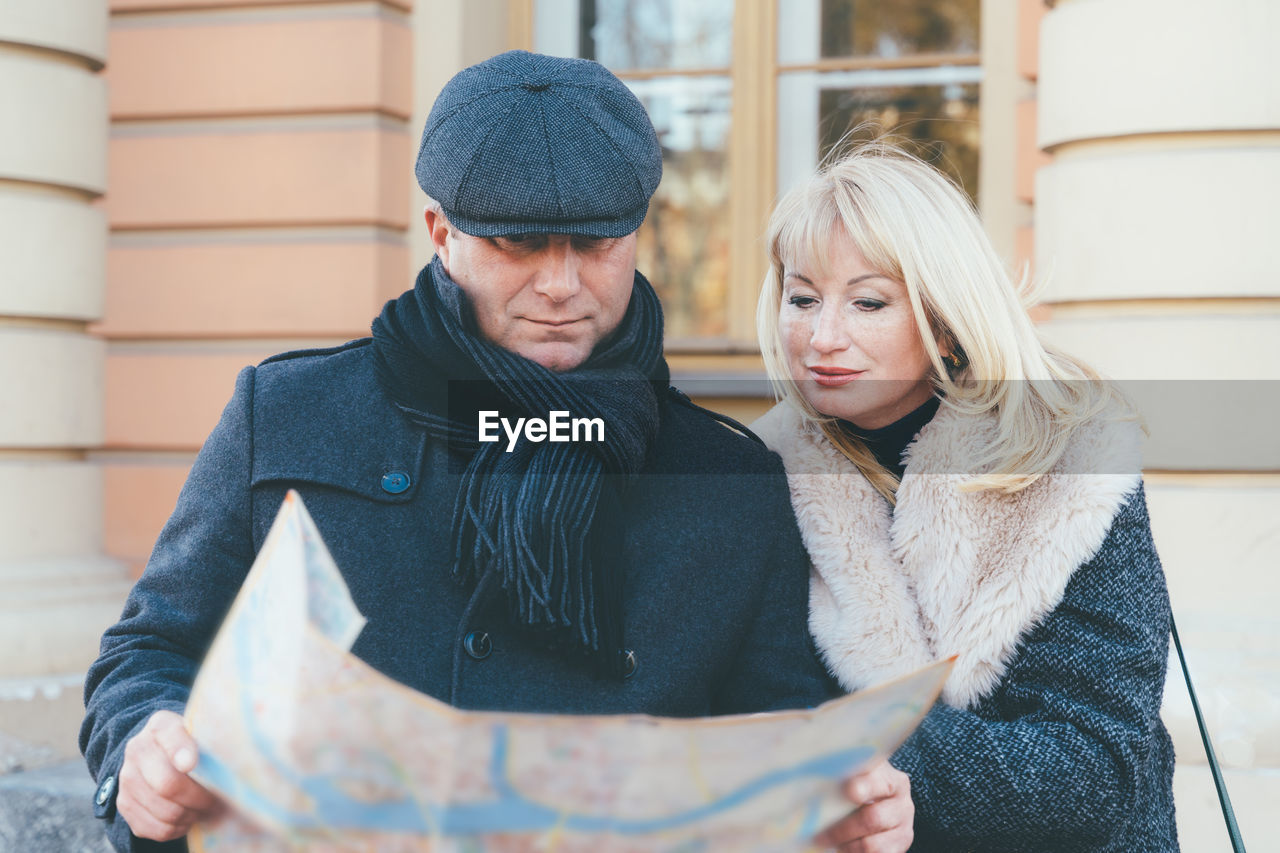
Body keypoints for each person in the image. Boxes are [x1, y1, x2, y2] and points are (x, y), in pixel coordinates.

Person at [81, 51, 913, 853]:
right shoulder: (291, 412)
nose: (560, 284)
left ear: (637, 234)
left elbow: (780, 738)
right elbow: (149, 652)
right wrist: (143, 750)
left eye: (594, 245)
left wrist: (834, 810)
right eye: (518, 243)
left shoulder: (729, 477)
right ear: (442, 232)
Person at [752, 143, 1178, 851]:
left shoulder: (1069, 469)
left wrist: (877, 759)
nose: (822, 336)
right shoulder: (762, 473)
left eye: (867, 301)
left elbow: (1097, 766)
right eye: (802, 299)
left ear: (944, 319)